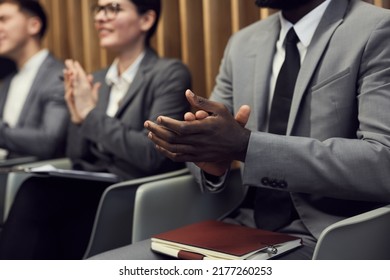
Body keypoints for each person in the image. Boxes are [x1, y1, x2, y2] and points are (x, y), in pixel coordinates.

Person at [91, 0, 390, 260]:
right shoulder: (242, 42)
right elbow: (214, 136)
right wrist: (209, 161)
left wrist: (246, 146)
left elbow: (383, 161)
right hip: (240, 224)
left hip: (330, 235)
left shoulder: (375, 29)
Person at [0, 0, 191, 259]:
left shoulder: (168, 73)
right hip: (94, 187)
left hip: (133, 191)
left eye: (113, 8)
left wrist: (89, 115)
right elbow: (79, 156)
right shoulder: (98, 79)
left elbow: (151, 154)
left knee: (38, 195)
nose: (101, 17)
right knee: (38, 189)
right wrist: (77, 117)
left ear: (146, 20)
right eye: (98, 10)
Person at [0, 0, 68, 161]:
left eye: (4, 19)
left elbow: (49, 141)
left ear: (34, 25)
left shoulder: (58, 75)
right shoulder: (8, 81)